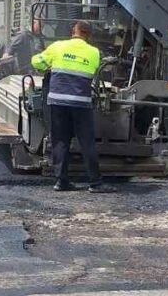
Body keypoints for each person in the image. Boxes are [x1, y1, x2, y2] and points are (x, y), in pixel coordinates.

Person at [31, 20, 113, 193]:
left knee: (60, 141)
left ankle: (61, 182)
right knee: (87, 143)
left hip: (58, 101)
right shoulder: (94, 52)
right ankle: (95, 183)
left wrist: (49, 64)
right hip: (81, 103)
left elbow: (37, 63)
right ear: (88, 35)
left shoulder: (58, 46)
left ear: (72, 32)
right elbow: (94, 70)